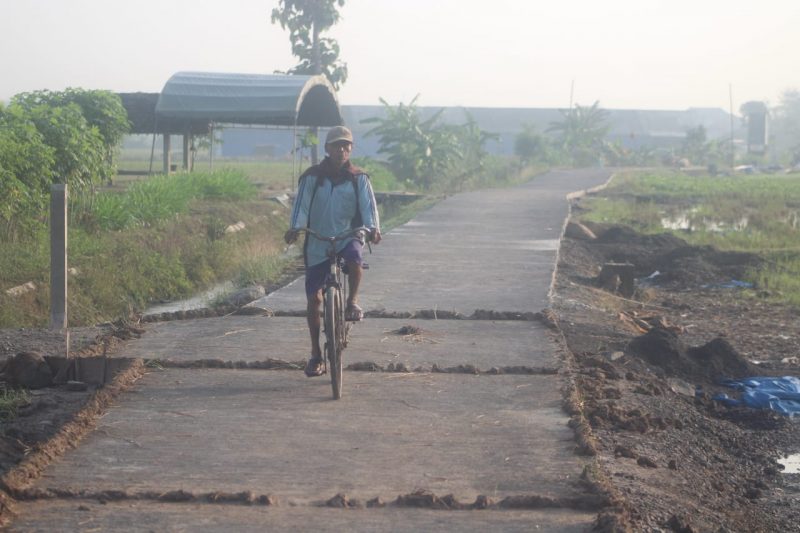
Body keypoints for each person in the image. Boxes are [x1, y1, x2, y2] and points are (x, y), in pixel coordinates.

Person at [284, 126, 382, 377]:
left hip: (347, 235)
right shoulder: (312, 177)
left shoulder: (359, 178)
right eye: (337, 145)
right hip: (318, 240)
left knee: (355, 258)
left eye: (346, 146)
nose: (342, 150)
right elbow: (301, 207)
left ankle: (352, 302)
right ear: (327, 149)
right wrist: (295, 228)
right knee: (314, 300)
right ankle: (316, 354)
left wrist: (372, 228)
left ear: (351, 149)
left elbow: (369, 207)